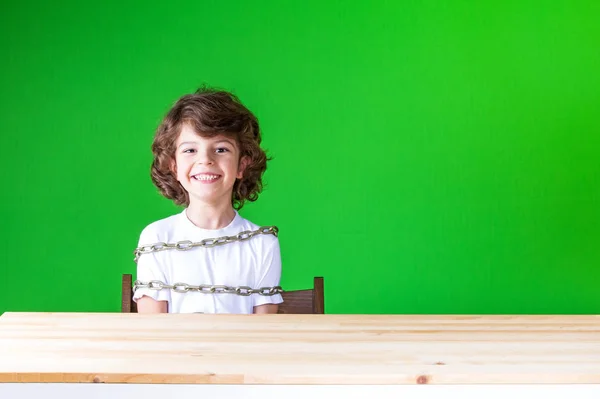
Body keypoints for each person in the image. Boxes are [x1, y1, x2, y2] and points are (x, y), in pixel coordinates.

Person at [132, 86, 283, 314]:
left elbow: (264, 335)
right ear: (173, 166)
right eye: (190, 150)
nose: (205, 160)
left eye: (221, 149)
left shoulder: (262, 245)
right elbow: (154, 334)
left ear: (242, 165)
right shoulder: (157, 238)